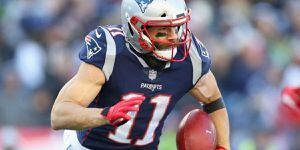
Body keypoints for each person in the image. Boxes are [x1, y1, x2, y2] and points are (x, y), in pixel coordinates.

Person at [50, 0, 230, 149]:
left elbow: (213, 101)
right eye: (162, 30)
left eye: (177, 27)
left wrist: (222, 146)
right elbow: (59, 115)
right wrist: (105, 114)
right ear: (135, 29)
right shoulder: (112, 51)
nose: (174, 38)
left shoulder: (191, 57)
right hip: (91, 146)